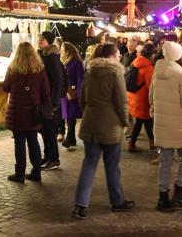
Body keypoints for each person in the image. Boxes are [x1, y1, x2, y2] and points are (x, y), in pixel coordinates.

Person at [72, 43, 134, 219]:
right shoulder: (116, 73)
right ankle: (117, 201)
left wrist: (89, 113)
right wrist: (125, 122)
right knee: (112, 166)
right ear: (112, 56)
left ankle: (80, 205)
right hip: (110, 127)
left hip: (90, 124)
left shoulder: (90, 72)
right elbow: (121, 101)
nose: (120, 57)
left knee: (89, 165)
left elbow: (82, 100)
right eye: (117, 54)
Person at [150, 41, 182, 212]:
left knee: (165, 160)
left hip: (162, 124)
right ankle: (179, 194)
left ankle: (163, 197)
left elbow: (151, 97)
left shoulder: (157, 72)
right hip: (180, 123)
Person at [3, 42, 50, 183]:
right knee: (33, 141)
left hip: (17, 113)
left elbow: (6, 87)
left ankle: (20, 173)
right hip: (33, 113)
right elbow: (46, 91)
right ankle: (36, 172)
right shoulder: (39, 70)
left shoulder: (13, 70)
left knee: (19, 143)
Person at [38, 31, 64, 171]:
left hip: (50, 101)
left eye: (42, 39)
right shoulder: (44, 55)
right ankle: (48, 155)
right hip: (45, 99)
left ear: (48, 41)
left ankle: (54, 158)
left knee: (49, 129)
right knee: (44, 129)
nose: (39, 41)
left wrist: (54, 103)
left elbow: (57, 81)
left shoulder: (52, 57)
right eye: (39, 38)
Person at [128, 43, 156, 152]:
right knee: (145, 120)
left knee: (143, 121)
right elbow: (151, 86)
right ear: (151, 54)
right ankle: (133, 144)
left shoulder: (136, 62)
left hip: (135, 96)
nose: (155, 55)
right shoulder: (148, 67)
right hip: (143, 98)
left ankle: (151, 142)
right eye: (154, 53)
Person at [60, 42, 85, 150]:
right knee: (68, 115)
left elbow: (81, 79)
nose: (61, 51)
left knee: (71, 115)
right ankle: (72, 139)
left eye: (62, 49)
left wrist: (78, 93)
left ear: (68, 51)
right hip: (65, 92)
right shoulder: (63, 62)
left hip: (73, 92)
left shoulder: (76, 62)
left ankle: (69, 139)